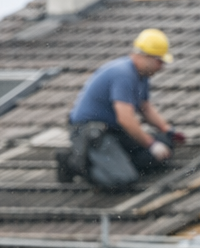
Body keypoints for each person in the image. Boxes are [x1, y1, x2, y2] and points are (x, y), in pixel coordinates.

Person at [62, 28, 181, 187]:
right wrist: (151, 144)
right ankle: (75, 164)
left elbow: (145, 108)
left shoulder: (141, 76)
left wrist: (167, 131)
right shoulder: (123, 75)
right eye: (159, 61)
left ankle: (117, 160)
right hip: (92, 132)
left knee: (164, 148)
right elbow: (125, 119)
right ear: (146, 57)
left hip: (114, 131)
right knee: (123, 180)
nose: (161, 67)